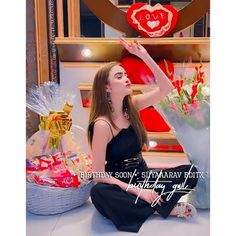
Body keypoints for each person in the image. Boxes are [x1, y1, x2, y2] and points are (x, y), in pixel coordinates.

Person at [87, 38, 199, 233]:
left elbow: (167, 88)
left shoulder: (133, 105)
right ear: (106, 87)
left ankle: (148, 206)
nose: (127, 79)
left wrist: (143, 55)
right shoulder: (102, 124)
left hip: (144, 176)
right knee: (99, 193)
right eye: (119, 76)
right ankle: (161, 206)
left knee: (191, 172)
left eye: (126, 74)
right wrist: (138, 191)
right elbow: (98, 175)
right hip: (121, 184)